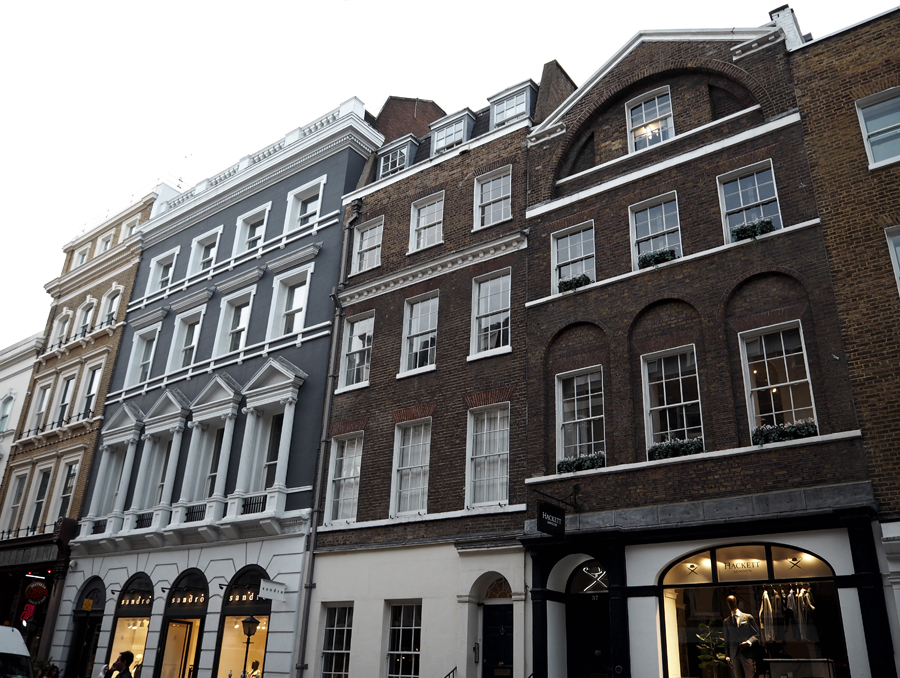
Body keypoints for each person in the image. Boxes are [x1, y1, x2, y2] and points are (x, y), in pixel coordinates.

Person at [723, 595, 760, 678]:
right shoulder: (727, 621)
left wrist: (748, 642)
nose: (730, 605)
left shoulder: (748, 617)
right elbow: (726, 640)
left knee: (749, 675)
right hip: (734, 654)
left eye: (731, 603)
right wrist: (727, 656)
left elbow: (757, 634)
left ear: (736, 603)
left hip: (746, 652)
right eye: (728, 603)